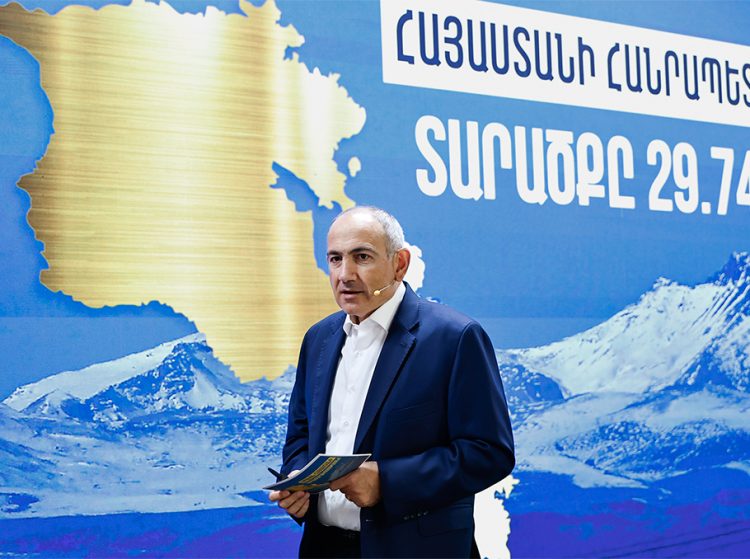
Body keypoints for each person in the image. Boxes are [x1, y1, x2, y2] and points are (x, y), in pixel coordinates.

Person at [269, 206, 514, 558]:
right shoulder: (318, 339)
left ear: (400, 264)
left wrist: (386, 481)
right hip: (323, 547)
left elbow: (489, 452)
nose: (345, 274)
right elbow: (301, 434)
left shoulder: (454, 337)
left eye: (362, 257)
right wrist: (297, 481)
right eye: (335, 259)